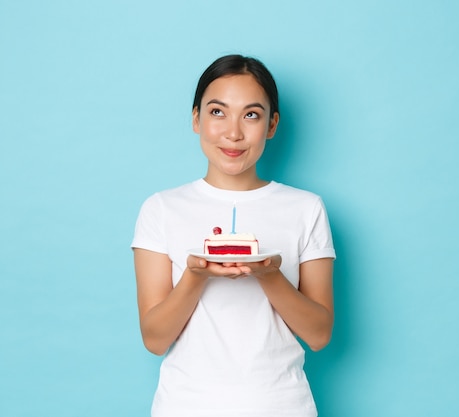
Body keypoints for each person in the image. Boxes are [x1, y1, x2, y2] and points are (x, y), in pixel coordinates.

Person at [131, 54, 336, 417]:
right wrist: (196, 275)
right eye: (217, 112)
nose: (234, 132)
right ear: (196, 119)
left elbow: (319, 335)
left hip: (282, 406)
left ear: (272, 125)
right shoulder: (161, 208)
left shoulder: (306, 208)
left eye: (252, 115)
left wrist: (268, 274)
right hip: (185, 406)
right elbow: (154, 338)